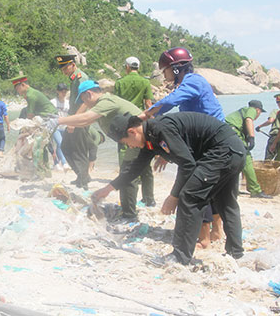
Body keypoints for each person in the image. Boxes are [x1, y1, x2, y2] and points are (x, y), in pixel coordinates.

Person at [92, 112, 246, 266]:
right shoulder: (151, 138)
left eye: (126, 142)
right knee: (226, 203)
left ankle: (180, 256)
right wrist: (109, 188)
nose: (129, 146)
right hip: (235, 151)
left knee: (189, 198)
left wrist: (173, 196)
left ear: (132, 132)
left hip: (221, 152)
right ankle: (236, 253)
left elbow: (187, 164)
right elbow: (135, 169)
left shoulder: (160, 129)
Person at [140, 47, 226, 248]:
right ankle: (216, 231)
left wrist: (147, 115)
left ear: (177, 68)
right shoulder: (191, 83)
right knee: (211, 186)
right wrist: (168, 153)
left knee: (194, 187)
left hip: (209, 141)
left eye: (166, 69)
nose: (165, 74)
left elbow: (170, 102)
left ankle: (204, 238)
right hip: (210, 139)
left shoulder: (193, 82)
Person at [45, 80, 142, 217]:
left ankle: (129, 214)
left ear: (89, 94)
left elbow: (86, 117)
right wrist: (61, 121)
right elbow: (85, 121)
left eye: (83, 99)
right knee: (128, 172)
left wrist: (59, 121)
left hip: (140, 138)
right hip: (133, 139)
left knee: (128, 173)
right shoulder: (103, 104)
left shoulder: (106, 101)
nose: (84, 104)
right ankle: (128, 210)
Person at [114, 56, 155, 207]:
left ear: (126, 67)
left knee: (126, 162)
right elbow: (149, 105)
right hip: (140, 127)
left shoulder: (119, 83)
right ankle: (149, 198)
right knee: (145, 161)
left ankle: (129, 200)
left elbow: (116, 104)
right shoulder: (145, 82)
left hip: (125, 126)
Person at [55, 54, 99, 188]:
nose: (64, 71)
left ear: (73, 65)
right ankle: (82, 175)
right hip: (75, 118)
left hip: (79, 120)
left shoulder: (81, 78)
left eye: (65, 68)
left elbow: (85, 103)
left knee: (78, 150)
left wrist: (73, 122)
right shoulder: (74, 79)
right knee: (66, 147)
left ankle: (84, 180)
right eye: (62, 69)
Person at [226, 100, 272, 199]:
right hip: (233, 132)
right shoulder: (251, 110)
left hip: (228, 132)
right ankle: (255, 190)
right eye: (259, 113)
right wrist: (252, 137)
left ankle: (232, 188)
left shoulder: (240, 113)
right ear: (258, 110)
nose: (257, 115)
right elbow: (248, 120)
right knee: (246, 159)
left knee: (234, 160)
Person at [257, 93, 280, 161]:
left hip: (276, 136)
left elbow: (270, 121)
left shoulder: (276, 112)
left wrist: (260, 126)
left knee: (268, 160)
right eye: (279, 104)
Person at [50, 83, 70, 171]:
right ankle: (65, 163)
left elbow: (69, 115)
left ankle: (57, 164)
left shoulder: (68, 103)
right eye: (62, 91)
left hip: (64, 127)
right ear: (57, 91)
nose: (64, 93)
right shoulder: (53, 102)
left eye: (65, 91)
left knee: (60, 145)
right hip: (55, 127)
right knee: (60, 143)